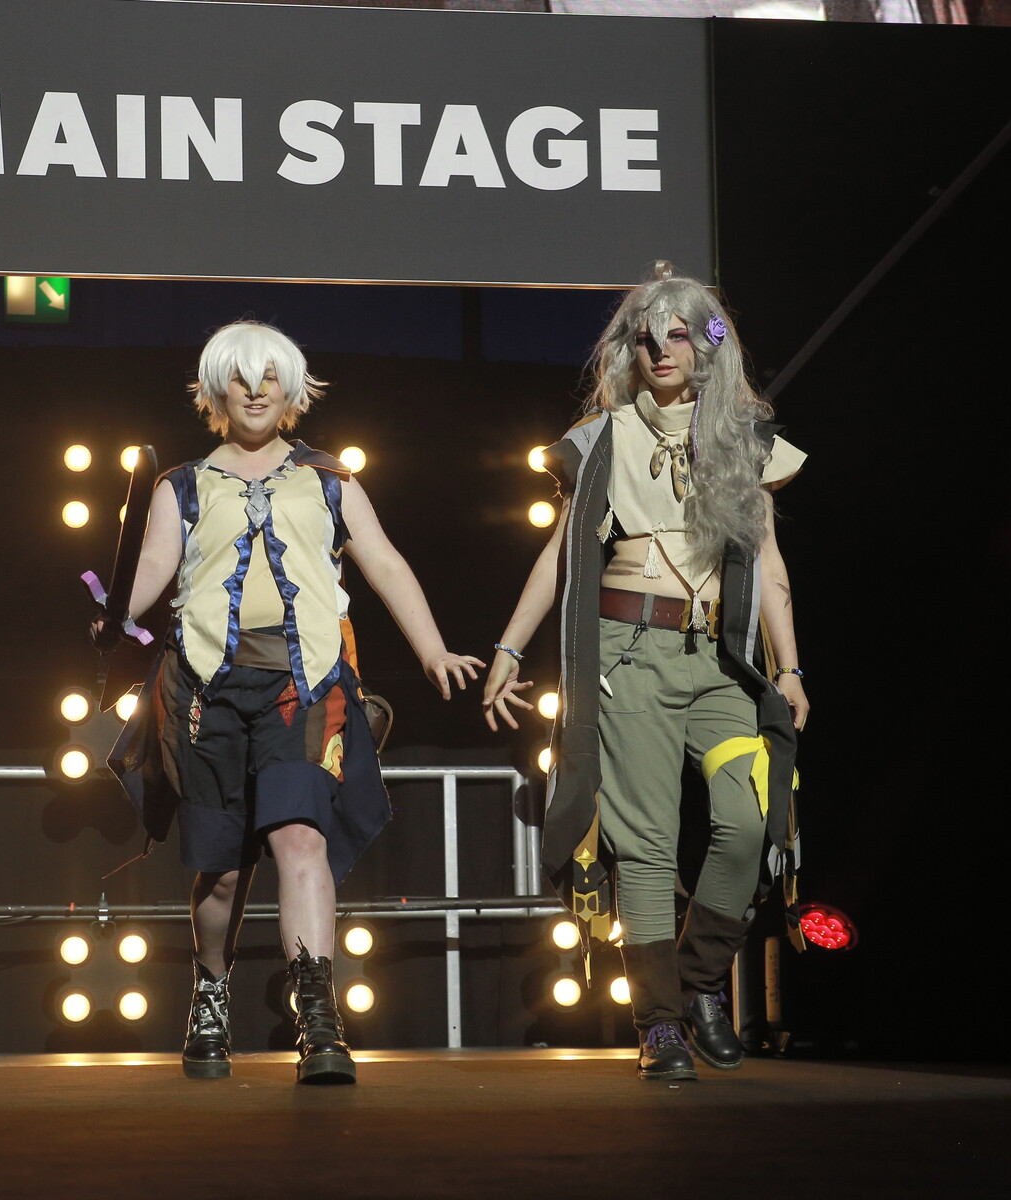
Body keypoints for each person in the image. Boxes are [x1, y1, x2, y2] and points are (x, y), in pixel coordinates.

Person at [101, 320, 482, 1085]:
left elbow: (384, 562)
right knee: (221, 872)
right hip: (205, 691)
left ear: (292, 390)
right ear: (217, 391)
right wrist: (114, 615)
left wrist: (433, 649)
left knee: (301, 839)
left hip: (302, 687)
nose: (254, 391)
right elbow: (151, 567)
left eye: (268, 377)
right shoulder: (181, 485)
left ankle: (318, 1016)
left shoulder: (331, 479)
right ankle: (211, 992)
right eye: (240, 379)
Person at [482, 266, 808, 1080]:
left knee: (749, 820)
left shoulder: (743, 442)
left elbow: (769, 563)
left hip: (722, 664)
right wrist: (510, 649)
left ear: (706, 346)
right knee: (647, 846)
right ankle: (660, 1024)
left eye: (678, 335)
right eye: (646, 337)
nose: (661, 350)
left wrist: (791, 668)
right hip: (630, 656)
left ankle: (697, 986)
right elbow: (560, 556)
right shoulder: (604, 438)